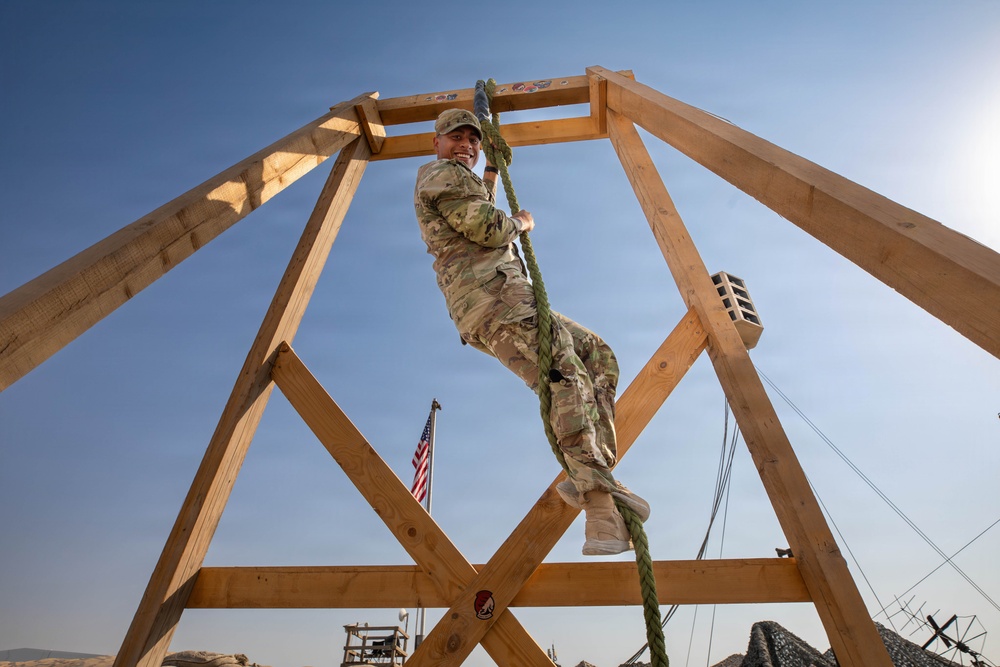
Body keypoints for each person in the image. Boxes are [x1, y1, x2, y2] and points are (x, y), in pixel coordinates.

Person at [413, 108, 650, 556]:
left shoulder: (456, 179)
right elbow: (487, 226)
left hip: (502, 299)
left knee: (596, 354)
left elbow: (477, 201)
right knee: (563, 373)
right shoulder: (440, 174)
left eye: (472, 140)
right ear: (437, 142)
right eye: (456, 137)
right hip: (495, 302)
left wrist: (490, 169)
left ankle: (592, 471)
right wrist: (521, 222)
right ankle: (598, 505)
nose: (465, 145)